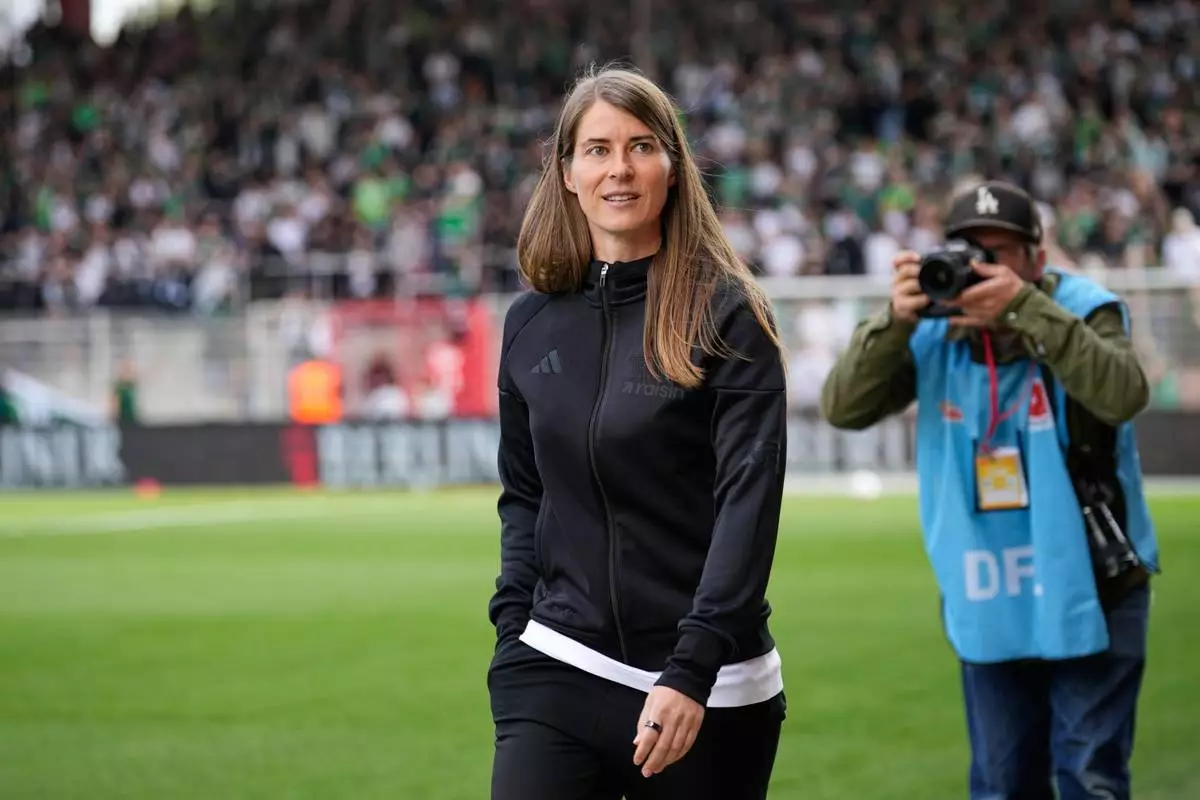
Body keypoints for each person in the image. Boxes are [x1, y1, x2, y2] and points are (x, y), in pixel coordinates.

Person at [486, 64, 788, 800]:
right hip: (556, 663)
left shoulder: (728, 315)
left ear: (672, 167)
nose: (619, 168)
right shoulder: (529, 324)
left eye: (641, 146)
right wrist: (512, 629)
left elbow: (747, 510)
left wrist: (692, 669)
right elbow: (524, 496)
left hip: (707, 687)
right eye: (597, 149)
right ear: (567, 174)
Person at [820, 180, 1160, 800]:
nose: (980, 267)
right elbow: (843, 407)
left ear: (1037, 258)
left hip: (1094, 581)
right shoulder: (932, 326)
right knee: (1003, 785)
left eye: (997, 252)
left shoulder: (1086, 308)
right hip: (989, 588)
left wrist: (1024, 309)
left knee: (1089, 779)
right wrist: (894, 321)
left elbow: (1123, 393)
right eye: (969, 251)